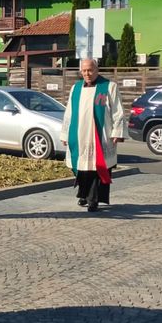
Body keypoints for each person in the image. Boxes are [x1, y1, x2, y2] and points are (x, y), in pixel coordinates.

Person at [61, 58, 126, 212]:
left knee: (97, 169)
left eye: (90, 70)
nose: (87, 74)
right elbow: (69, 112)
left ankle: (93, 200)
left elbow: (118, 111)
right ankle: (83, 194)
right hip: (79, 134)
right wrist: (65, 133)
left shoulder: (109, 87)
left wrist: (117, 131)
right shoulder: (76, 88)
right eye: (84, 71)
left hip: (101, 135)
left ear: (97, 70)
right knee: (81, 167)